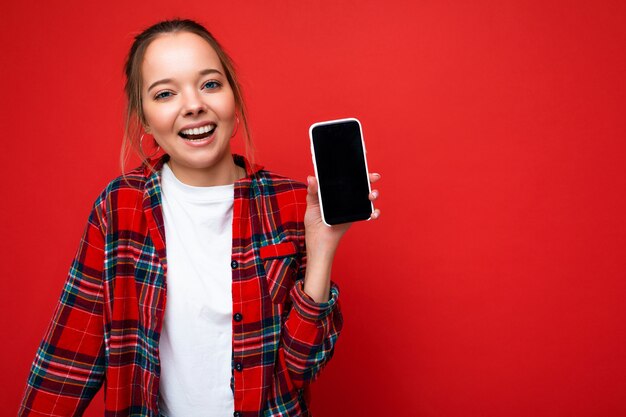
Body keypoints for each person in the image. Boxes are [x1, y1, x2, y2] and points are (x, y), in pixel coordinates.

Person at [18, 18, 381, 417]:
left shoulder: (293, 204)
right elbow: (68, 362)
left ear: (234, 99)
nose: (193, 105)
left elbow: (301, 366)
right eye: (165, 93)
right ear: (144, 120)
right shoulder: (120, 207)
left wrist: (323, 248)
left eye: (210, 84)